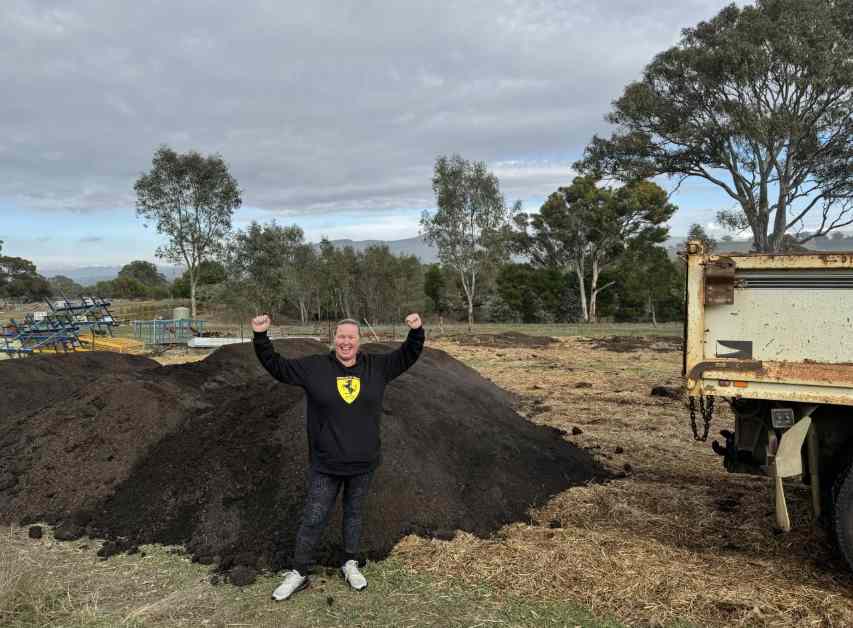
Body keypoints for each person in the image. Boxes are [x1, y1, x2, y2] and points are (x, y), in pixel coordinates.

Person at [251, 313, 425, 600]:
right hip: (326, 463)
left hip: (363, 462)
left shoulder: (377, 367)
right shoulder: (315, 368)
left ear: (360, 341)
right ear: (335, 339)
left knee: (354, 515)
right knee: (314, 517)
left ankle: (349, 562)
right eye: (341, 337)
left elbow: (409, 354)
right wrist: (260, 336)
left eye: (351, 337)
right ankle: (300, 571)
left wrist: (416, 331)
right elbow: (277, 367)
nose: (346, 342)